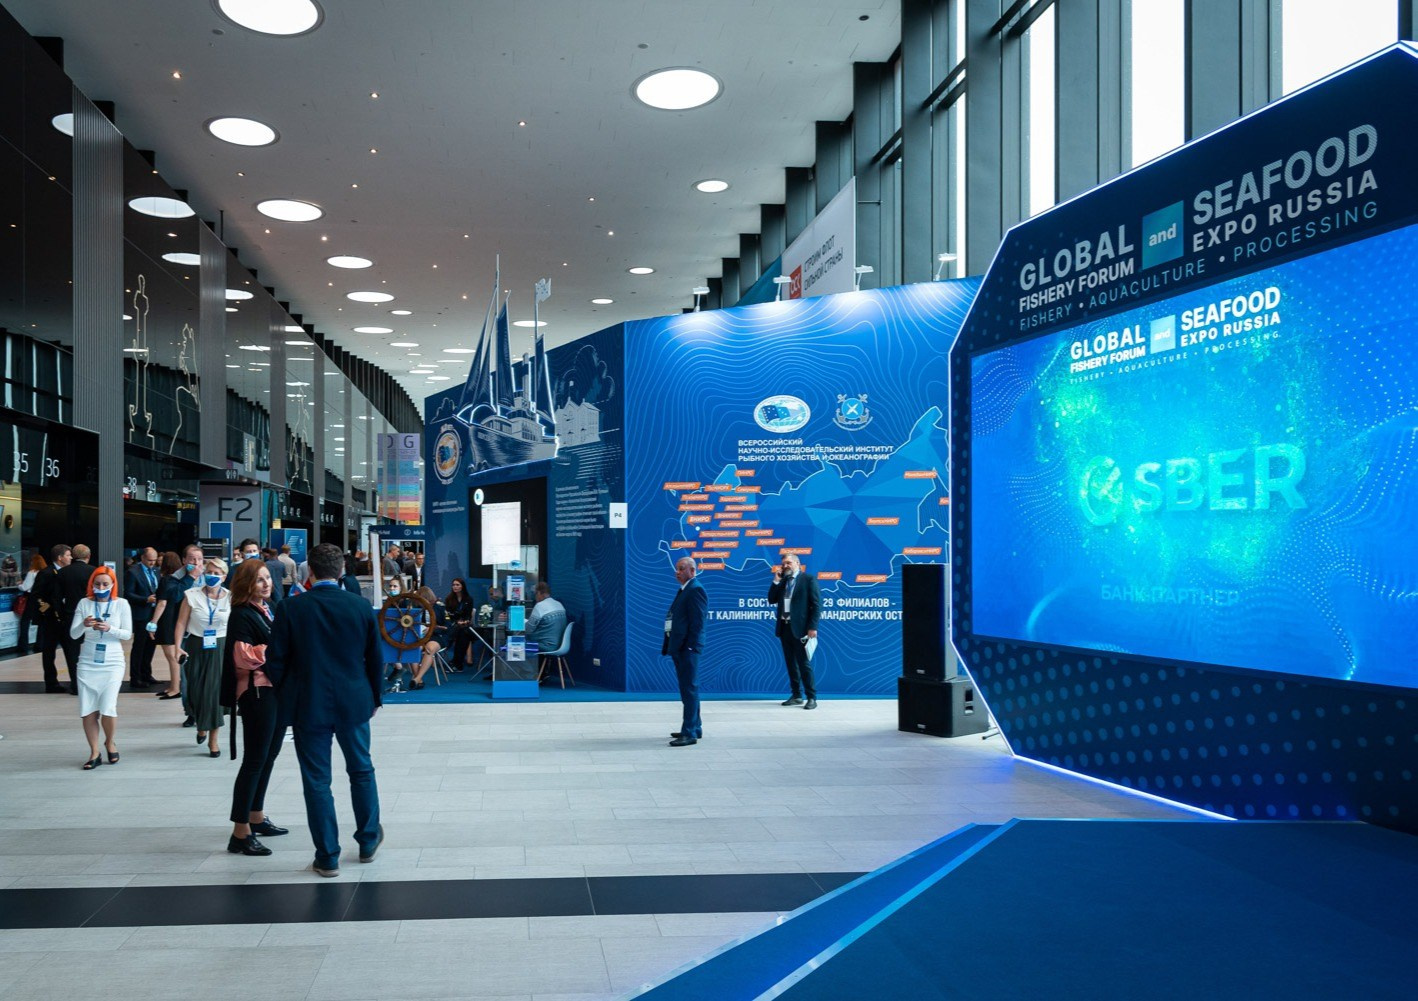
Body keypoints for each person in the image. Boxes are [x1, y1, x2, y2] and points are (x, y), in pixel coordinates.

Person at [264, 542, 384, 877]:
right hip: (354, 702)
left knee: (317, 780)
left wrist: (289, 692)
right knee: (361, 770)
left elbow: (275, 661)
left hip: (308, 704)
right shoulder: (360, 606)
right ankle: (368, 840)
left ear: (310, 572)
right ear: (342, 570)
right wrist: (374, 697)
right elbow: (375, 658)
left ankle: (328, 856)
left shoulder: (290, 608)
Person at [220, 558, 289, 857]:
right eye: (259, 579)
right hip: (256, 692)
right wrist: (278, 649)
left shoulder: (266, 609)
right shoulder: (241, 614)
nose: (266, 584)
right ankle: (240, 832)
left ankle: (256, 815)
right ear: (246, 584)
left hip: (274, 689)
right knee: (255, 760)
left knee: (269, 756)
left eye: (268, 578)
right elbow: (243, 656)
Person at [71, 565, 133, 769]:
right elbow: (73, 634)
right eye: (97, 584)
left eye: (105, 584)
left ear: (113, 584)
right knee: (88, 708)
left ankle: (110, 741)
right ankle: (94, 751)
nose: (101, 587)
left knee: (108, 706)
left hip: (113, 661)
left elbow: (127, 634)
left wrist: (110, 628)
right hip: (88, 661)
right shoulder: (84, 603)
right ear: (91, 584)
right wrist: (84, 624)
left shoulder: (121, 604)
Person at [174, 557, 232, 757]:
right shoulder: (191, 595)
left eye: (217, 573)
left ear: (224, 576)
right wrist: (177, 647)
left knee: (213, 693)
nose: (212, 576)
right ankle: (201, 724)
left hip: (220, 647)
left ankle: (213, 741)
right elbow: (181, 622)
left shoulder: (230, 597)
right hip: (196, 645)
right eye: (209, 572)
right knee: (195, 691)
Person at [768, 552, 820, 710]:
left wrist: (813, 627)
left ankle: (811, 697)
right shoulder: (783, 581)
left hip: (801, 629)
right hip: (785, 628)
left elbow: (816, 605)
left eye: (789, 563)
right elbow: (771, 599)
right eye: (783, 564)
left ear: (798, 563)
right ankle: (796, 695)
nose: (785, 566)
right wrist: (776, 581)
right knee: (791, 664)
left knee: (803, 664)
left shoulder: (808, 579)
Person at [663, 556, 707, 747]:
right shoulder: (684, 589)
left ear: (692, 570)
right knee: (687, 688)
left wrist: (690, 646)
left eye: (681, 568)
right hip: (679, 646)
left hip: (688, 648)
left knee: (689, 689)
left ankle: (689, 733)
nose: (677, 572)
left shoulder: (695, 589)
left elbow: (698, 623)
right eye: (677, 568)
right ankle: (695, 726)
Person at [32, 546, 73, 693]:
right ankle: (51, 683)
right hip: (50, 621)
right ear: (60, 557)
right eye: (68, 555)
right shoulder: (46, 573)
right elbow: (37, 596)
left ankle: (75, 681)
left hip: (64, 619)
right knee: (49, 652)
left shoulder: (67, 573)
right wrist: (49, 612)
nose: (71, 558)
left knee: (70, 651)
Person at [124, 547, 162, 690]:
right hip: (141, 614)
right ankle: (136, 677)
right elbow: (128, 594)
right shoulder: (133, 572)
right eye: (150, 560)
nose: (152, 563)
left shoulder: (156, 571)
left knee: (151, 646)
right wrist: (145, 599)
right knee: (139, 647)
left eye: (154, 560)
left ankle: (147, 674)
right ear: (142, 558)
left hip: (154, 614)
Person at [58, 544, 94, 689]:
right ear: (88, 556)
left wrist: (62, 615)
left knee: (72, 652)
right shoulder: (94, 571)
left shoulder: (63, 572)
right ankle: (89, 681)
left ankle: (75, 683)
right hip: (91, 616)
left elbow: (57, 597)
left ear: (73, 556)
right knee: (91, 649)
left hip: (70, 615)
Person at [151, 551, 186, 699]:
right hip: (176, 617)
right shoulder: (181, 580)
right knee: (172, 655)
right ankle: (173, 686)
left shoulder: (166, 580)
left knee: (171, 656)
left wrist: (153, 622)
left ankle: (176, 688)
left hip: (167, 619)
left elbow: (162, 603)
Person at [408, 585, 449, 690]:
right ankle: (419, 680)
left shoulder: (440, 607)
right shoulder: (416, 609)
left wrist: (432, 629)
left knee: (429, 649)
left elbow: (448, 626)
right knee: (412, 648)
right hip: (420, 636)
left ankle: (417, 678)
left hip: (437, 636)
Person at [16, 553, 46, 657]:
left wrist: (19, 584)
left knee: (25, 621)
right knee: (42, 622)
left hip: (33, 599)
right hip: (44, 600)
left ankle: (23, 646)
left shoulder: (32, 572)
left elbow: (25, 587)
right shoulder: (46, 572)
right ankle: (40, 645)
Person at [527, 581, 567, 655]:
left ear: (539, 593)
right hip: (561, 645)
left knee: (519, 642)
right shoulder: (559, 604)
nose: (535, 597)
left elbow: (528, 630)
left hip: (546, 646)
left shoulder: (540, 606)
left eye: (535, 594)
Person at [444, 578, 475, 668]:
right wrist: (456, 621)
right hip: (452, 624)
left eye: (457, 585)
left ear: (462, 586)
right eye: (453, 585)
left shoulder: (468, 599)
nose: (455, 587)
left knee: (463, 632)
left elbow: (468, 615)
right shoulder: (449, 599)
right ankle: (458, 662)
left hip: (464, 624)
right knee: (461, 632)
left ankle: (457, 662)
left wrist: (465, 621)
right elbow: (447, 615)